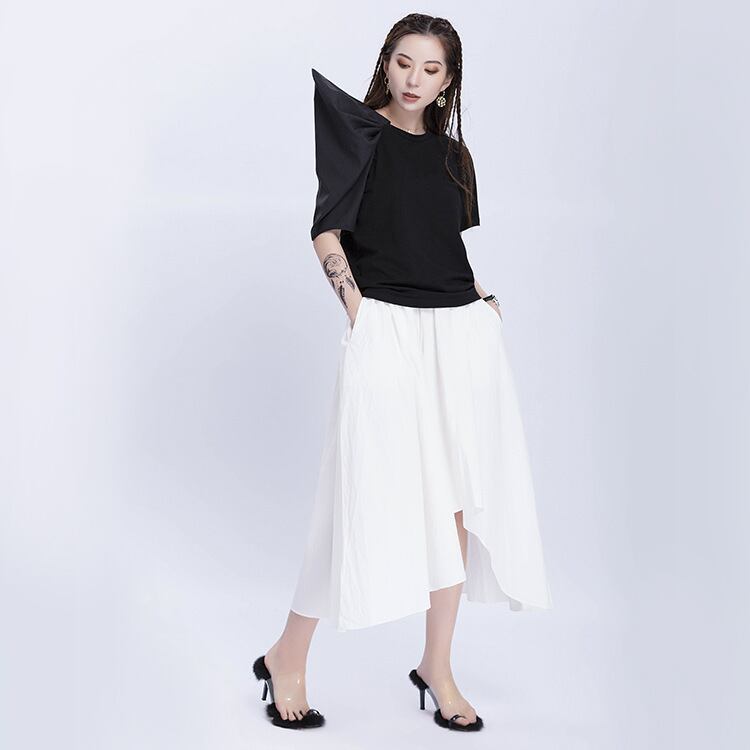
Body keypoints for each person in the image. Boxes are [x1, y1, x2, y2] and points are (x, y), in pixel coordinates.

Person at [252, 13, 552, 732]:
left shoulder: (454, 156)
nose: (415, 79)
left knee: (457, 506)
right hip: (387, 326)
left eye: (432, 69)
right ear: (386, 62)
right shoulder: (359, 135)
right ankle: (288, 654)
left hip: (459, 333)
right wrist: (358, 309)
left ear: (449, 81)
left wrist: (480, 299)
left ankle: (436, 666)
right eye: (405, 62)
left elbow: (439, 242)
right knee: (354, 497)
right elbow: (327, 228)